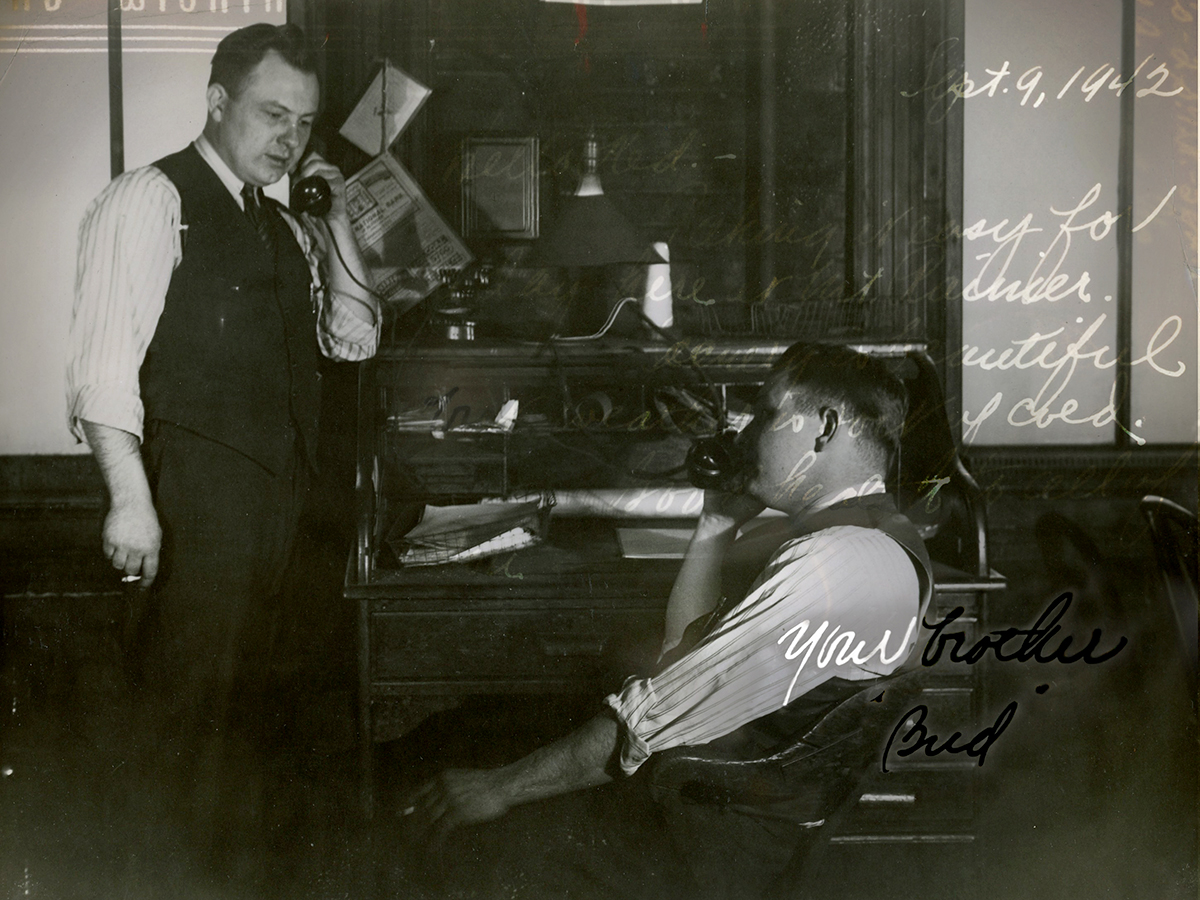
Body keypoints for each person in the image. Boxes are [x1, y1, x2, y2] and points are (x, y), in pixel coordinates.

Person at [397, 343, 933, 899]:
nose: (748, 431)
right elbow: (682, 658)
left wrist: (501, 788)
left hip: (712, 848)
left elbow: (651, 719)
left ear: (823, 428)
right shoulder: (853, 538)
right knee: (456, 740)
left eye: (768, 413)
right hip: (706, 810)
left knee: (465, 825)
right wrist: (716, 523)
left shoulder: (837, 562)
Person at [65, 22, 379, 886]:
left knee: (250, 733)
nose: (289, 139)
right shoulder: (147, 199)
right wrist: (129, 502)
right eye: (272, 114)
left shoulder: (284, 225)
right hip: (194, 507)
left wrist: (337, 217)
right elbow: (102, 370)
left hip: (282, 513)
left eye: (303, 124)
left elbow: (354, 339)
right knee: (183, 731)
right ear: (216, 103)